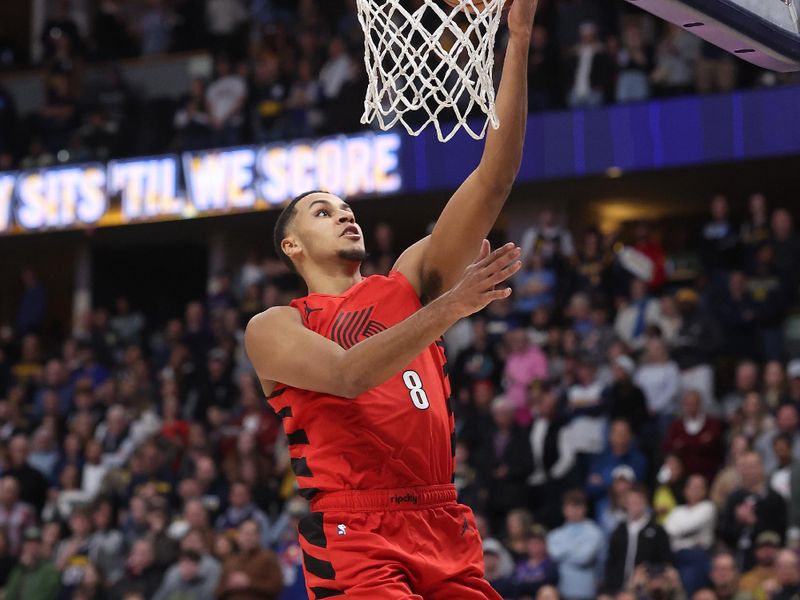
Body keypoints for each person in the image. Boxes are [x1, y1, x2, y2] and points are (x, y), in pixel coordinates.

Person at [244, 1, 539, 597]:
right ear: (292, 246)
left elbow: (494, 177)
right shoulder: (273, 326)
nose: (344, 214)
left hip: (443, 517)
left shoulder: (408, 280)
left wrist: (520, 36)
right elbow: (349, 375)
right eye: (323, 212)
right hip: (357, 529)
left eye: (346, 207)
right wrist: (450, 308)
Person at [604, 484, 672, 595]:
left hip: (645, 589)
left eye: (638, 501)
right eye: (631, 501)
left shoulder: (657, 530)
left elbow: (666, 562)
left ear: (645, 502)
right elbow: (611, 562)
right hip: (618, 589)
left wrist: (649, 575)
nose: (634, 504)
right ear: (626, 504)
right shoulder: (618, 530)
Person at [547, 489, 603, 600]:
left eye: (578, 507)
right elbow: (554, 555)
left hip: (585, 591)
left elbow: (583, 558)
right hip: (561, 589)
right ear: (564, 510)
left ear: (584, 509)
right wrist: (576, 546)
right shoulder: (555, 534)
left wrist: (564, 552)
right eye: (570, 507)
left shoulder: (594, 531)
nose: (574, 511)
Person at [215, 519, 283, 600]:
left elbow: (277, 587)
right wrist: (228, 585)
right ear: (238, 536)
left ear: (259, 537)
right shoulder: (230, 561)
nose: (248, 537)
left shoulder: (268, 558)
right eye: (245, 533)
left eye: (252, 534)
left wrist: (249, 583)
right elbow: (217, 592)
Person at [4, 526, 60, 600]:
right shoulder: (18, 570)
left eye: (35, 543)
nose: (31, 547)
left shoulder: (50, 571)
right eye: (28, 543)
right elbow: (10, 595)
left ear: (41, 546)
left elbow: (44, 596)